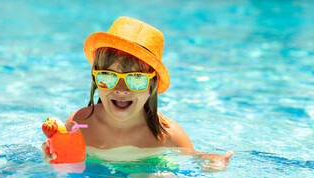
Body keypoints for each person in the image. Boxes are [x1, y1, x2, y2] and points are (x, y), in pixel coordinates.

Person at [42, 16, 233, 164]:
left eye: (136, 79)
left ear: (153, 85)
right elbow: (64, 163)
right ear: (95, 78)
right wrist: (52, 157)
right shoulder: (81, 123)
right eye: (108, 77)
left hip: (148, 171)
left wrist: (213, 162)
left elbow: (196, 158)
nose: (121, 89)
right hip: (98, 174)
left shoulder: (167, 134)